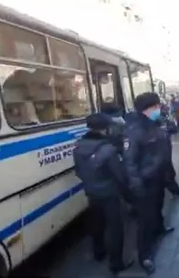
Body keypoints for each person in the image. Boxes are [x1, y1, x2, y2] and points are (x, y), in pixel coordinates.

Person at [73, 113, 133, 275]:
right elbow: (119, 174)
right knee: (114, 228)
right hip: (110, 193)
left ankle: (98, 253)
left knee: (97, 224)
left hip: (91, 192)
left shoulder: (78, 146)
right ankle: (116, 263)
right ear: (106, 128)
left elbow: (78, 171)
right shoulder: (108, 149)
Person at [123, 92, 174, 274]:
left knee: (157, 208)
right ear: (148, 108)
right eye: (156, 107)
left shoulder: (155, 125)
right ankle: (144, 256)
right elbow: (130, 162)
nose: (159, 109)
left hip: (158, 178)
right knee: (145, 221)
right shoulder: (135, 130)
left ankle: (159, 229)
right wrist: (137, 186)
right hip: (145, 182)